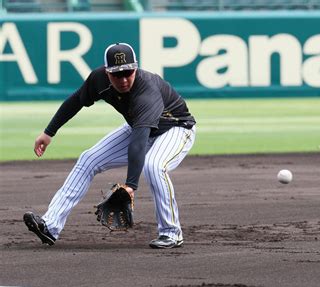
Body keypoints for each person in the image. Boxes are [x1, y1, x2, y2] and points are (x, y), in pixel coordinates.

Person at [23, 42, 196, 249]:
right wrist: (48, 132)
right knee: (89, 159)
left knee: (154, 166)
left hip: (175, 129)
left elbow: (139, 142)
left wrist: (131, 186)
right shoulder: (98, 79)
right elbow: (76, 100)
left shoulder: (146, 92)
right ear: (107, 72)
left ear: (136, 67)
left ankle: (171, 232)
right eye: (117, 74)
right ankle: (50, 226)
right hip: (139, 127)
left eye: (128, 72)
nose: (123, 79)